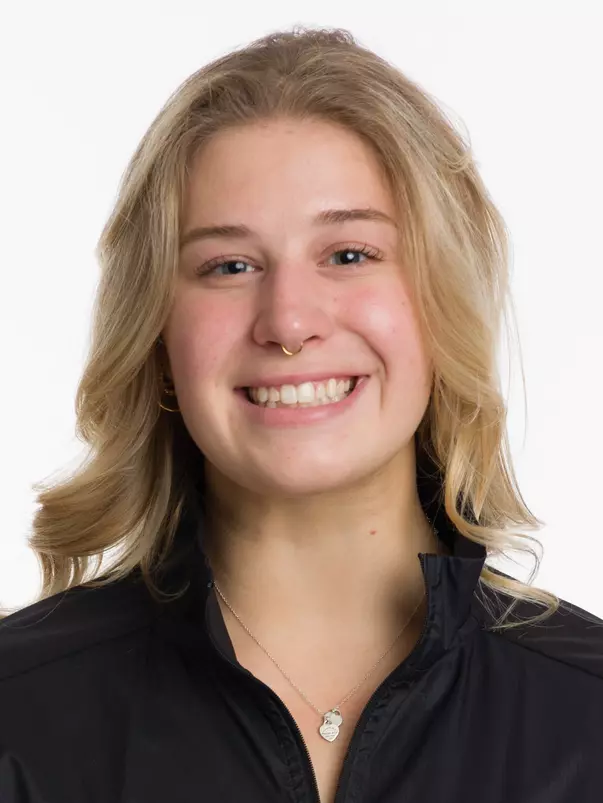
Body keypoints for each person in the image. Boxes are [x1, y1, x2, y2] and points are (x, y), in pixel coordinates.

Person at [1, 25, 602, 803]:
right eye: (228, 265)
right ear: (156, 338)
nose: (288, 322)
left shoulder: (587, 714)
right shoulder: (18, 718)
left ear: (440, 302)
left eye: (348, 254)